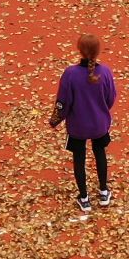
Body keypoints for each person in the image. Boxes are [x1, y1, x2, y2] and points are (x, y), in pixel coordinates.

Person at [49, 33, 117, 212]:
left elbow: (63, 101)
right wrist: (101, 111)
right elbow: (111, 98)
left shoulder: (70, 74)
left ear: (79, 50)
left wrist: (55, 120)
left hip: (78, 126)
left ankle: (84, 198)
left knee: (79, 159)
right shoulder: (106, 72)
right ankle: (103, 192)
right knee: (99, 153)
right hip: (99, 125)